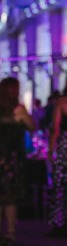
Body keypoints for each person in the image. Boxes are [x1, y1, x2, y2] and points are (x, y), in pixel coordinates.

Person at [0, 77, 35, 246]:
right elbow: (31, 127)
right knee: (11, 198)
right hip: (12, 158)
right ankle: (11, 234)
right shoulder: (18, 109)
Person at [47, 87, 67, 237]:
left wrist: (50, 151)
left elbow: (56, 128)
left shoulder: (62, 102)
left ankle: (59, 222)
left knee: (61, 184)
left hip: (64, 146)